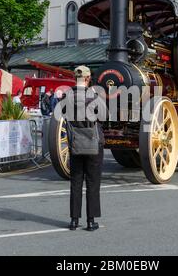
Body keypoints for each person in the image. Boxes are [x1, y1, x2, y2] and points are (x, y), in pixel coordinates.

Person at [65, 66, 104, 231]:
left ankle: (74, 220)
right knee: (93, 182)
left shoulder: (67, 96)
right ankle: (90, 221)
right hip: (93, 143)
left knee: (76, 182)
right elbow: (104, 115)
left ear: (75, 78)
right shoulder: (93, 95)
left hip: (76, 143)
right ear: (88, 79)